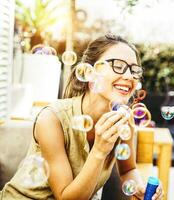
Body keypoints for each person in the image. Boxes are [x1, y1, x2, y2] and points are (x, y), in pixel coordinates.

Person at [0, 34, 163, 200]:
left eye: (135, 70)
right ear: (88, 72)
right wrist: (99, 151)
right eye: (118, 66)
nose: (129, 76)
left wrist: (139, 188)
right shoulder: (51, 118)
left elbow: (128, 170)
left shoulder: (124, 121)